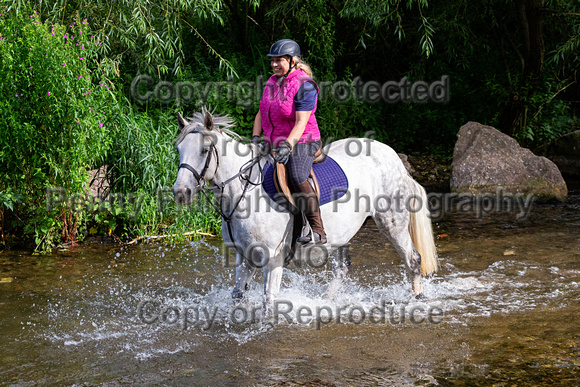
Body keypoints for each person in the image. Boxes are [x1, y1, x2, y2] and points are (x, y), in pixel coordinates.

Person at [251, 39, 326, 244]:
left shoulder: (305, 85)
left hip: (303, 140)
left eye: (279, 61)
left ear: (293, 61)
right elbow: (260, 113)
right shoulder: (272, 82)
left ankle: (317, 230)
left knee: (296, 175)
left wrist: (288, 145)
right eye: (272, 61)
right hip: (273, 141)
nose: (274, 65)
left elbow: (301, 122)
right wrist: (256, 138)